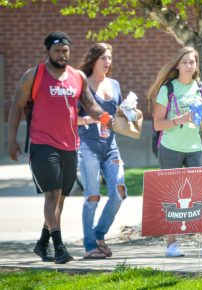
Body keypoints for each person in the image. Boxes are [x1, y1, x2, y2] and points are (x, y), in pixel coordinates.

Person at [7, 32, 108, 264]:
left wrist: (105, 118)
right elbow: (16, 107)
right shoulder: (33, 76)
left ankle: (42, 244)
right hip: (42, 144)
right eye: (57, 51)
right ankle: (59, 247)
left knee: (61, 198)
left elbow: (90, 105)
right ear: (48, 52)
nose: (62, 55)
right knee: (51, 195)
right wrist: (12, 139)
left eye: (65, 51)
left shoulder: (77, 76)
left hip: (70, 145)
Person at [146, 46, 202, 257]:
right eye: (185, 62)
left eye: (192, 62)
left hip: (195, 149)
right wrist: (179, 120)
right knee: (171, 196)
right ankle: (171, 245)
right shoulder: (167, 89)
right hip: (170, 148)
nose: (189, 66)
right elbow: (157, 124)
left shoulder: (201, 89)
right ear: (177, 66)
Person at [77, 43, 126, 259]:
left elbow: (121, 112)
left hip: (111, 147)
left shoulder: (114, 84)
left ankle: (99, 234)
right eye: (103, 58)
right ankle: (90, 246)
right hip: (88, 146)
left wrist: (130, 113)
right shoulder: (82, 85)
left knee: (118, 193)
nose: (107, 62)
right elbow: (71, 118)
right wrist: (91, 118)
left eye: (109, 58)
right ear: (93, 60)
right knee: (92, 196)